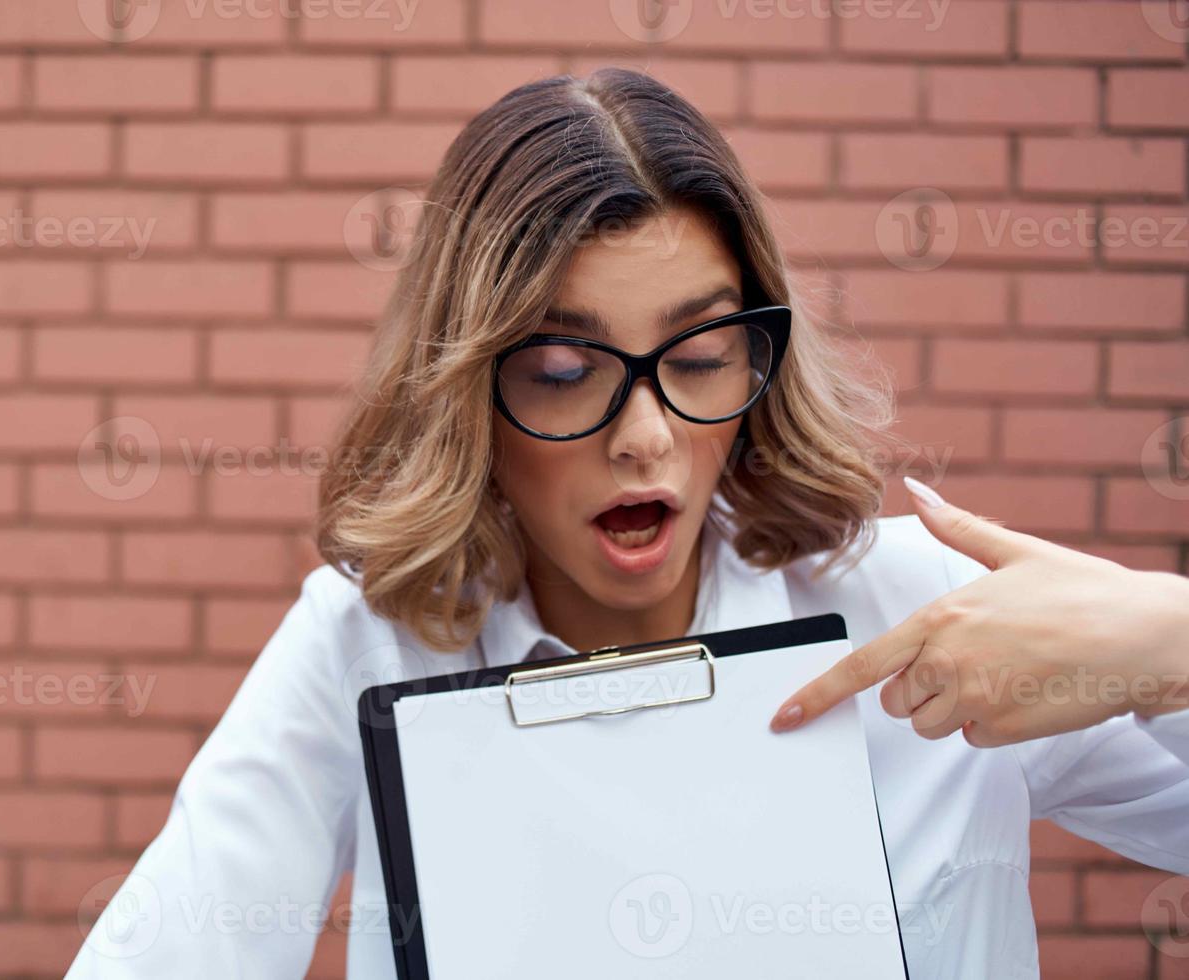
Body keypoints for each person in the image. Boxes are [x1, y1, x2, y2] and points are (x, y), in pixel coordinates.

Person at [66, 68, 1188, 980]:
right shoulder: (371, 641)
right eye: (563, 368)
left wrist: (1163, 642)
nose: (645, 433)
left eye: (699, 356)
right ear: (469, 394)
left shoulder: (922, 611)